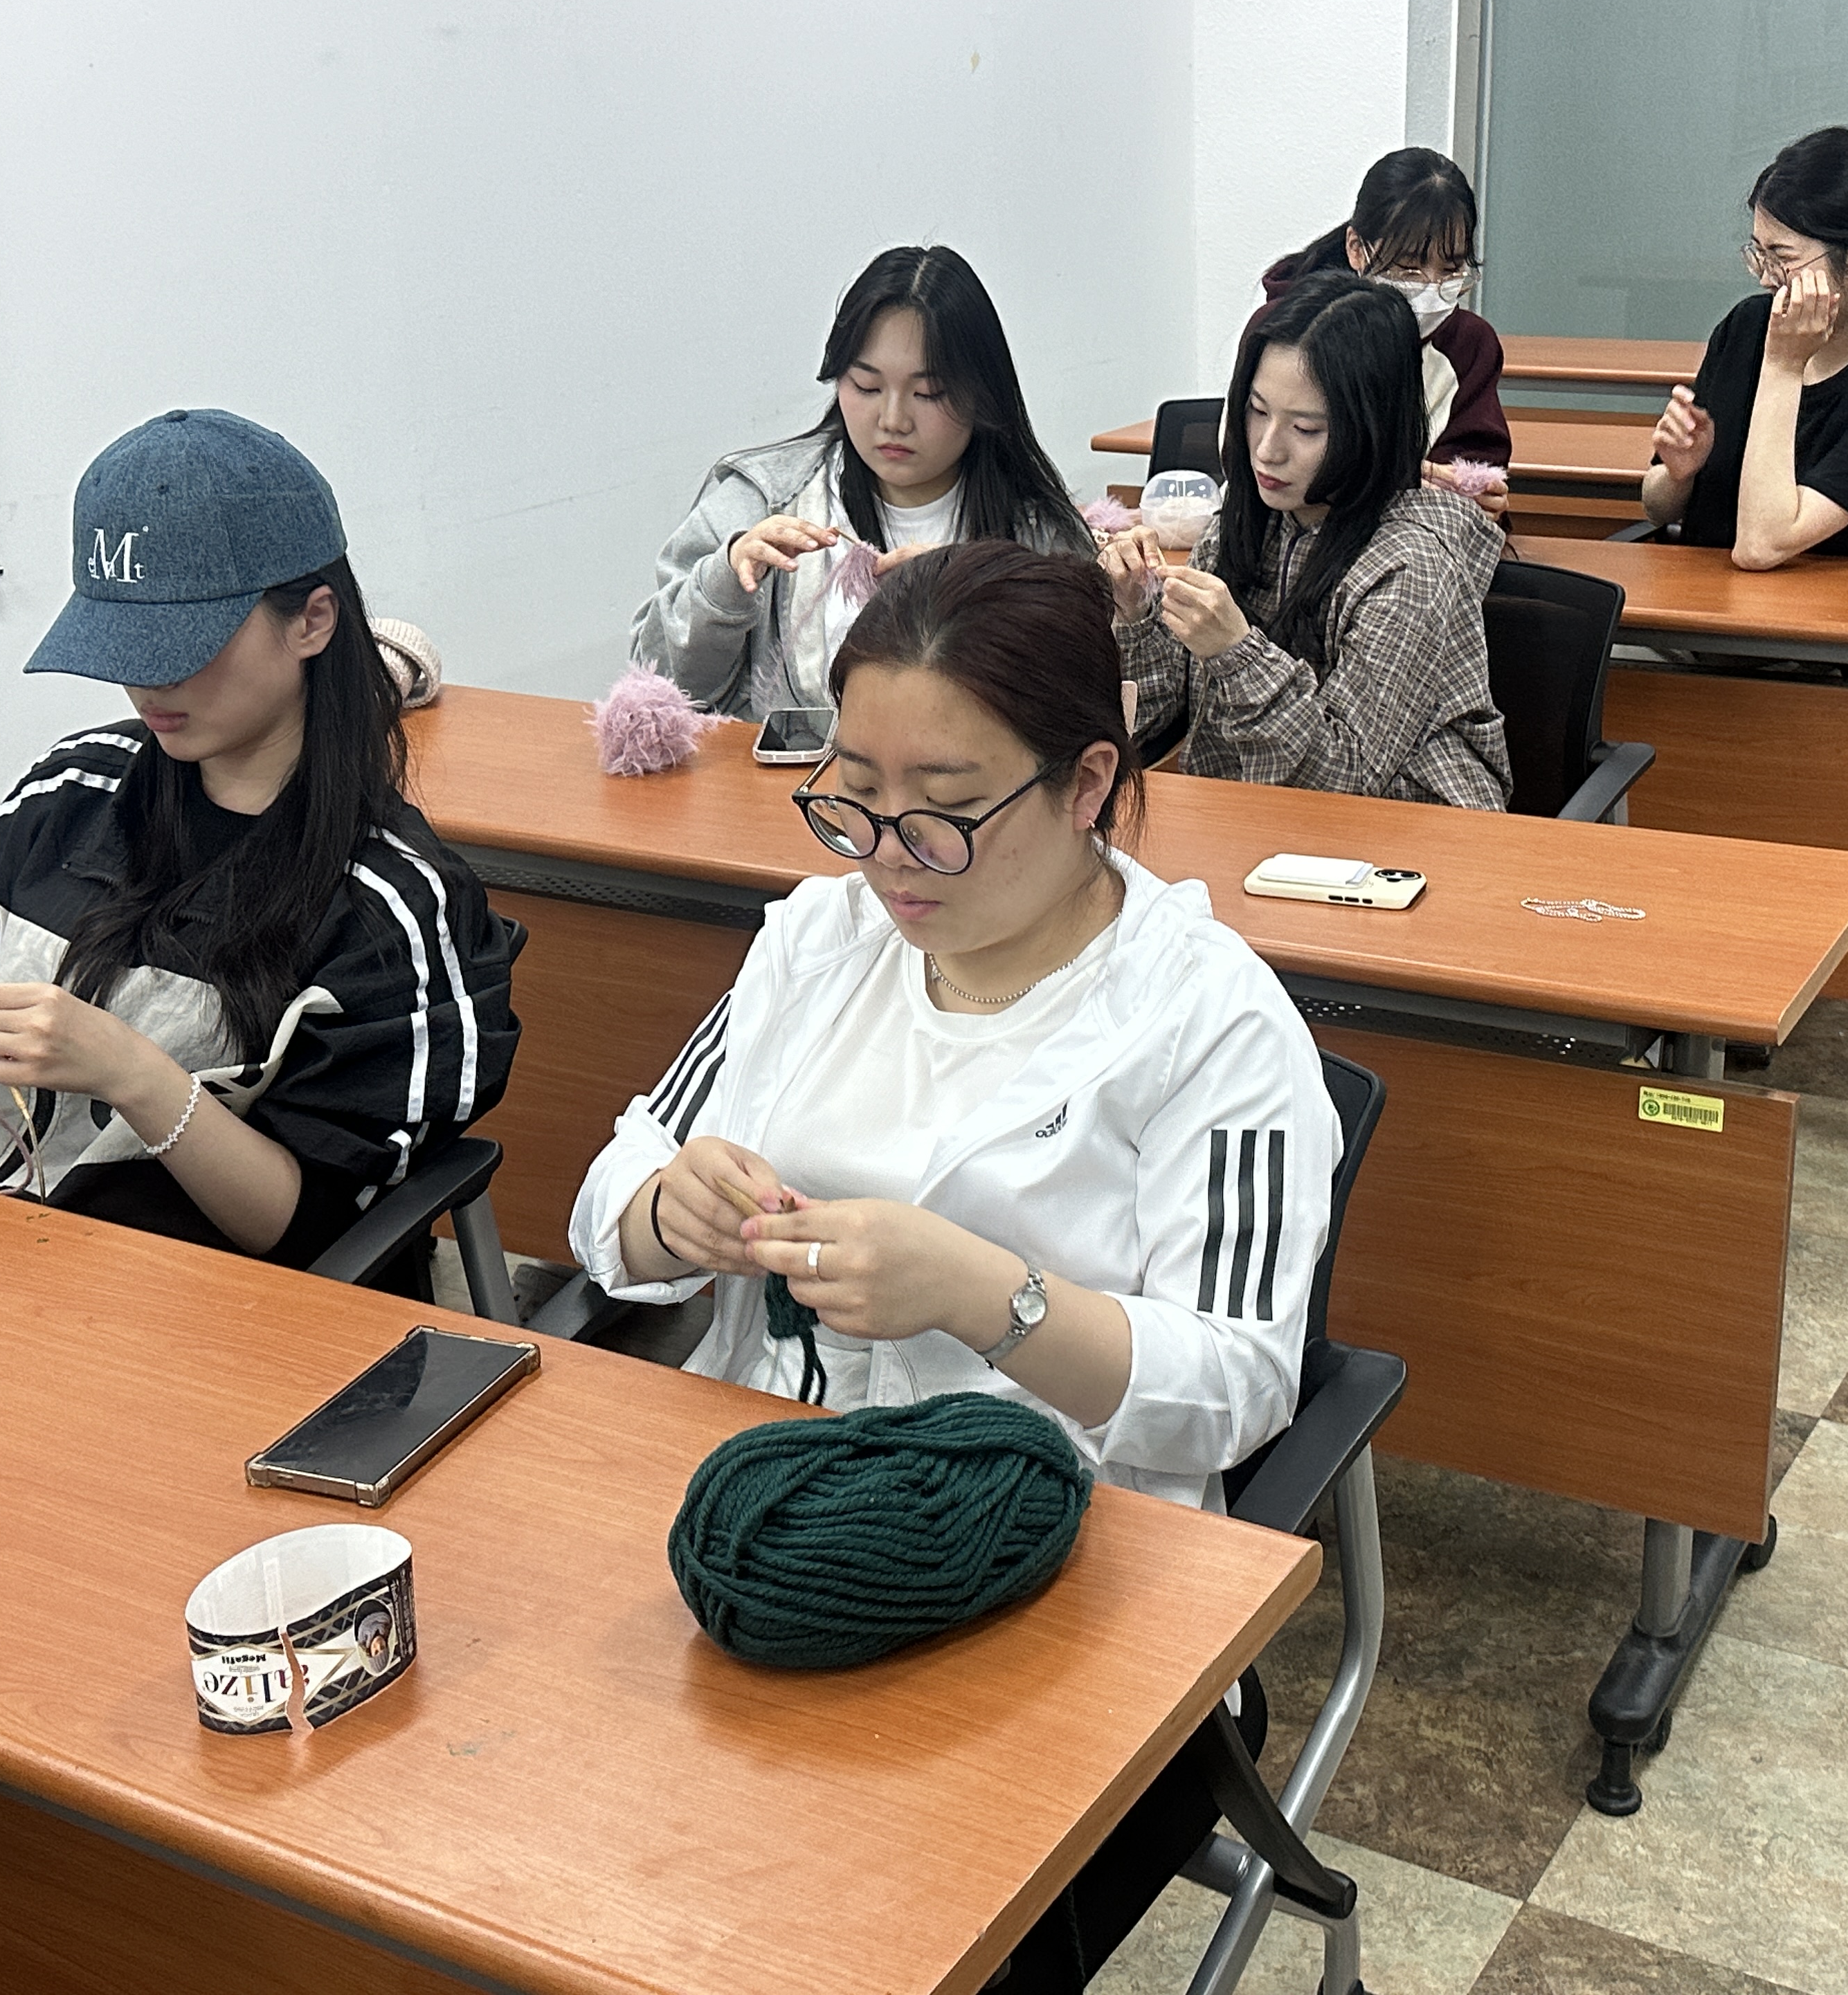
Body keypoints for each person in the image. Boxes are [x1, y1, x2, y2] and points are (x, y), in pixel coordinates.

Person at [571, 536, 1336, 1987]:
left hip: (1049, 1553)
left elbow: (1239, 1382)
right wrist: (674, 1212)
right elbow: (612, 1191)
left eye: (941, 810)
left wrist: (991, 1298)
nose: (884, 856)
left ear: (1088, 784)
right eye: (854, 796)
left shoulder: (1210, 1022)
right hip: (767, 1506)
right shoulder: (820, 940)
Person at [0, 409, 519, 1291]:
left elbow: (308, 1229)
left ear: (312, 621)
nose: (149, 682)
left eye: (185, 646)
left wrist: (133, 1074)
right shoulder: (72, 791)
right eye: (125, 644)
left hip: (193, 1305)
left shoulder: (390, 903)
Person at [1100, 268, 1512, 810]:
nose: (1267, 449)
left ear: (1370, 429)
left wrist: (1235, 651)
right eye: (1257, 411)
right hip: (1253, 824)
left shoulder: (1413, 564)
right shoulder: (1244, 522)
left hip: (1412, 838)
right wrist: (1136, 615)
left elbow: (1343, 782)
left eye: (1306, 429)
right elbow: (1147, 727)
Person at [635, 244, 1091, 719]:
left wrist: (971, 605)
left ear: (982, 394)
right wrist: (724, 583)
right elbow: (659, 687)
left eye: (928, 393)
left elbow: (1073, 711)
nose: (893, 420)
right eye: (867, 387)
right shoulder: (762, 502)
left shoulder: (1041, 536)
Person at [1641, 127, 1848, 569]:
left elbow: (1761, 547)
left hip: (1833, 611)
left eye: (1783, 259)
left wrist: (1784, 365)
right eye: (1759, 253)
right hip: (1706, 599)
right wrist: (1679, 475)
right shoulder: (1746, 326)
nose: (1766, 278)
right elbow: (1656, 509)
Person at [1251, 145, 1511, 520]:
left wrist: (1479, 495)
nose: (1431, 288)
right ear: (1356, 250)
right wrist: (1401, 481)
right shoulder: (1288, 330)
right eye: (1407, 269)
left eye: (1451, 270)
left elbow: (1472, 478)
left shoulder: (1468, 345)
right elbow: (1249, 459)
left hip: (1412, 535)